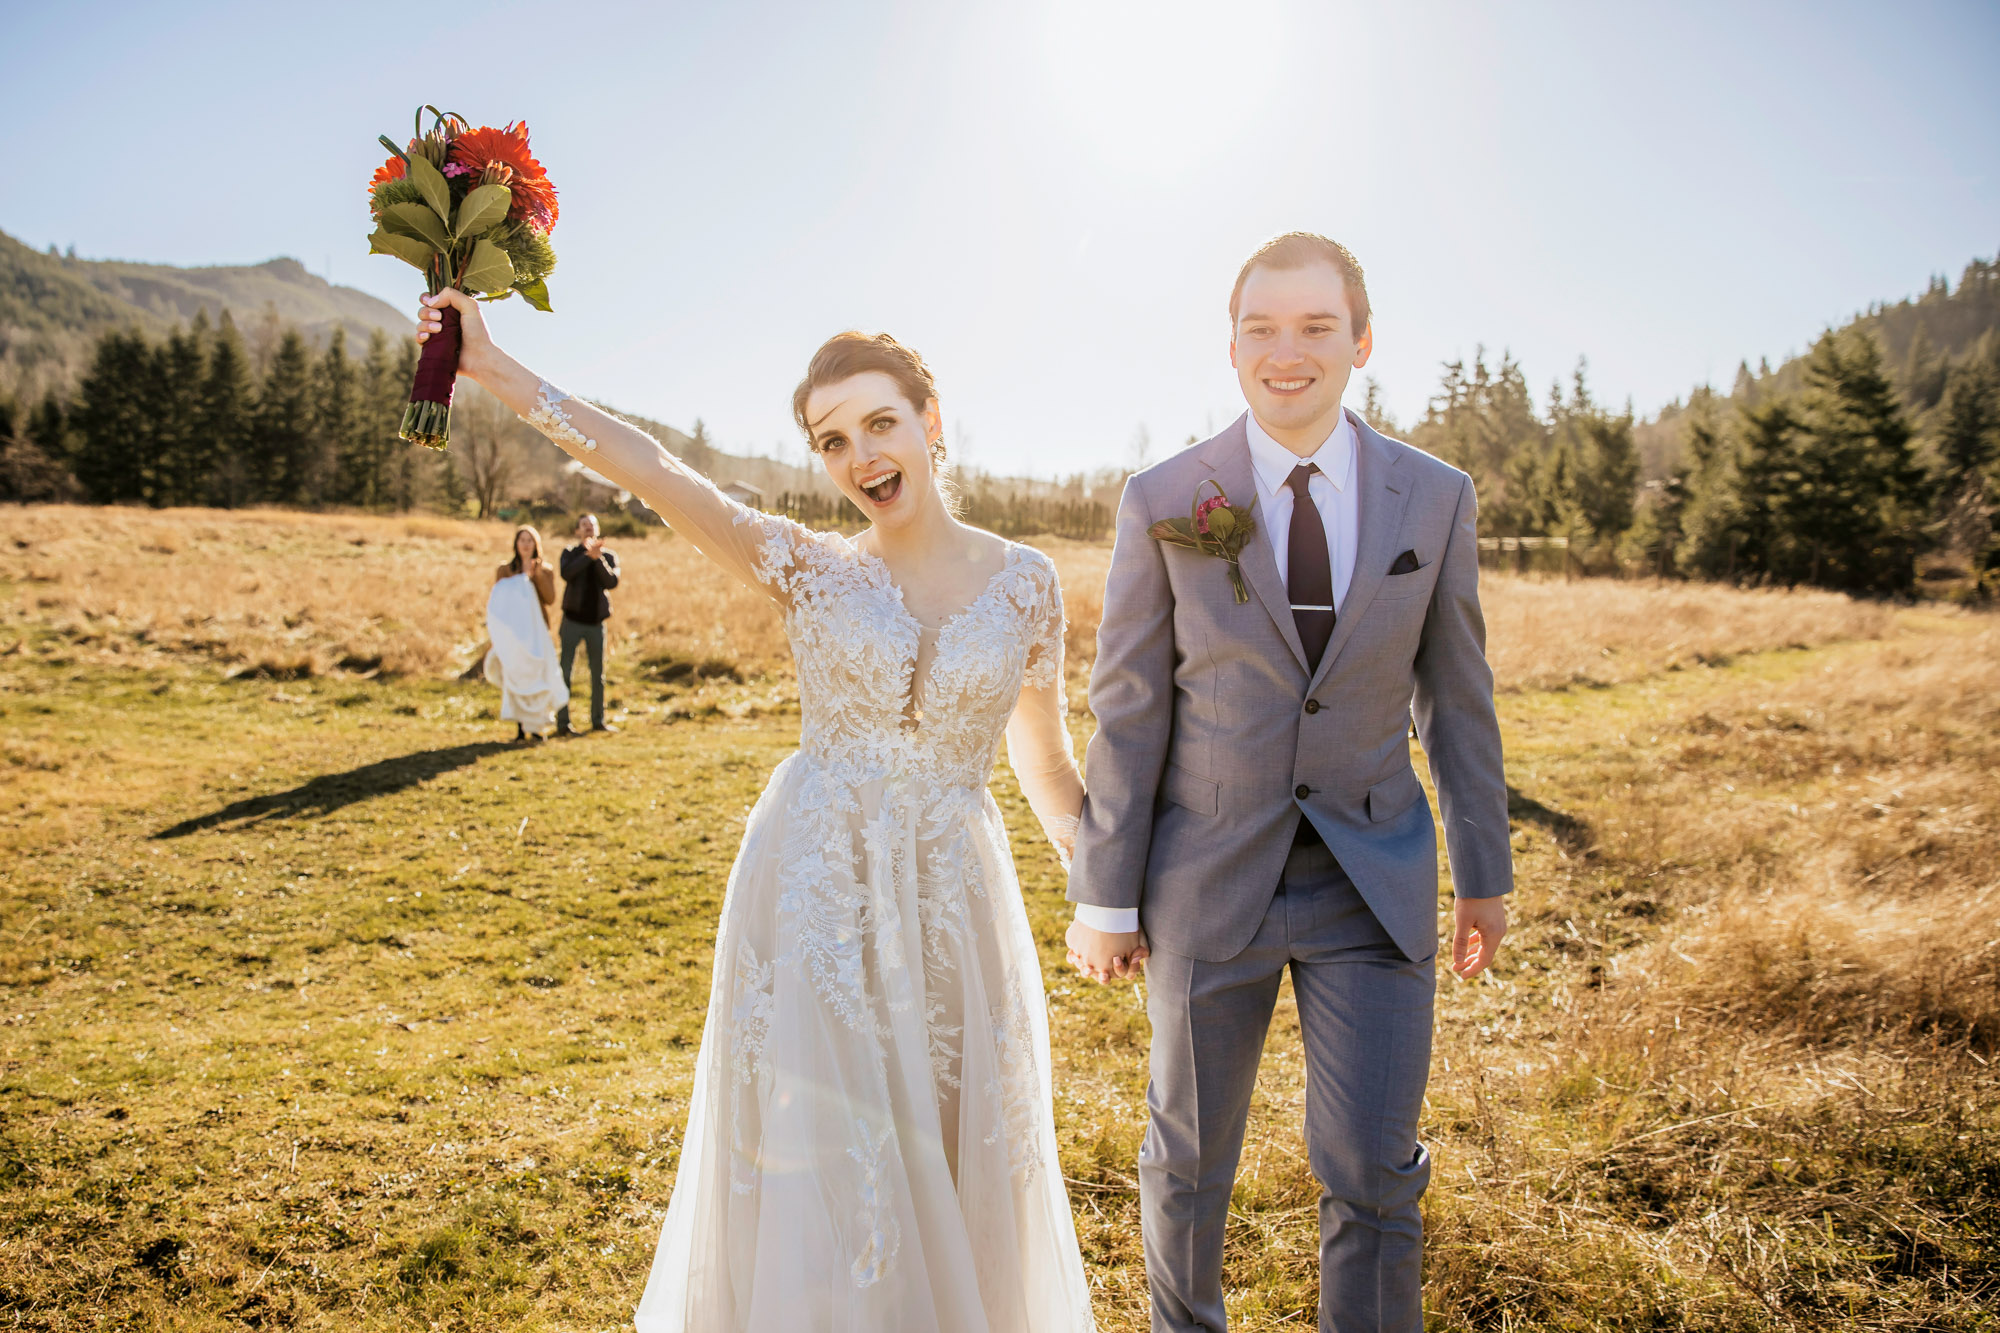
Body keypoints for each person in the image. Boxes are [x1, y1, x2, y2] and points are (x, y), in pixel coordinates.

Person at [417, 291, 1098, 1331]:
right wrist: (495, 370)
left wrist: (1110, 887)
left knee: (963, 1155)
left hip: (955, 902)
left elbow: (1045, 765)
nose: (860, 456)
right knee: (825, 1164)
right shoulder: (806, 569)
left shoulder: (1027, 584)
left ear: (932, 420)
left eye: (879, 423)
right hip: (817, 895)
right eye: (832, 440)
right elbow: (648, 467)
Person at [1065, 233, 1513, 1333]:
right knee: (1188, 1160)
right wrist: (1103, 893)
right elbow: (1128, 710)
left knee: (1372, 1166)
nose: (1287, 350)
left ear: (1360, 341)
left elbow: (1455, 700)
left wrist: (1483, 874)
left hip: (1374, 876)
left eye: (1315, 326)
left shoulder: (1433, 496)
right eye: (1262, 327)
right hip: (1207, 876)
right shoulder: (1167, 496)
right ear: (1230, 348)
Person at [484, 525, 567, 742]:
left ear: (536, 544)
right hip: (515, 633)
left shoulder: (545, 570)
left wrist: (536, 576)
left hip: (536, 631)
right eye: (522, 540)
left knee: (538, 675)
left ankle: (538, 726)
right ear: (516, 543)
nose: (525, 544)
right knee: (517, 676)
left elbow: (549, 599)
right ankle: (520, 728)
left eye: (530, 540)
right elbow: (500, 599)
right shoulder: (505, 570)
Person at [555, 511, 620, 736]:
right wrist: (586, 556)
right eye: (584, 525)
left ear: (598, 529)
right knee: (565, 671)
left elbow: (612, 581)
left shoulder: (609, 556)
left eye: (592, 524)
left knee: (597, 674)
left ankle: (598, 721)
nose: (588, 528)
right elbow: (566, 573)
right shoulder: (570, 553)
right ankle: (563, 723)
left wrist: (598, 558)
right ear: (577, 531)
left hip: (596, 623)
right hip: (572, 621)